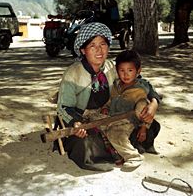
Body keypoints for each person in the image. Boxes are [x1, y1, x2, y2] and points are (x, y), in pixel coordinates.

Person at [56, 22, 160, 171]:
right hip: (83, 118)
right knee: (85, 143)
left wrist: (154, 103)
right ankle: (117, 150)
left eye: (103, 44)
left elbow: (141, 82)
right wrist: (76, 122)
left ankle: (120, 148)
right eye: (93, 45)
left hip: (111, 113)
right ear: (83, 50)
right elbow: (64, 106)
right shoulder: (73, 73)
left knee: (147, 122)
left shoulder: (113, 67)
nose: (99, 50)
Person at [101, 50, 161, 169]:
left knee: (115, 134)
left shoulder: (141, 88)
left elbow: (145, 109)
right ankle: (114, 150)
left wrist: (143, 128)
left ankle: (133, 156)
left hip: (129, 120)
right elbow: (110, 100)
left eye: (130, 70)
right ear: (117, 71)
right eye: (122, 71)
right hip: (113, 117)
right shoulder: (116, 85)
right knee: (95, 121)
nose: (126, 74)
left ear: (138, 71)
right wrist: (105, 108)